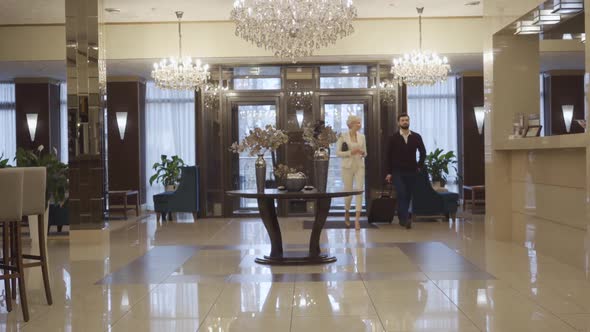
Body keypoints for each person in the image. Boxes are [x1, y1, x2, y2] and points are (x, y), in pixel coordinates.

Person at [385, 113, 426, 229]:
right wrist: (388, 172)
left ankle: (402, 217)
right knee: (402, 192)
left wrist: (419, 165)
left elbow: (423, 152)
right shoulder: (393, 138)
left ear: (409, 122)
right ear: (398, 123)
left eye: (406, 120)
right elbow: (388, 156)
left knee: (407, 194)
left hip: (412, 171)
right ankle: (405, 218)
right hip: (397, 171)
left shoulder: (416, 137)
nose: (405, 122)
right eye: (402, 120)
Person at [336, 115, 366, 230]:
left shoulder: (362, 137)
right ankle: (347, 211)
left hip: (359, 166)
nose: (360, 125)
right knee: (348, 192)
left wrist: (362, 153)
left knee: (359, 190)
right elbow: (338, 153)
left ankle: (357, 219)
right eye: (358, 123)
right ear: (351, 124)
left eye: (360, 122)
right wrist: (351, 152)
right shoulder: (342, 136)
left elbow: (365, 153)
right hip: (347, 167)